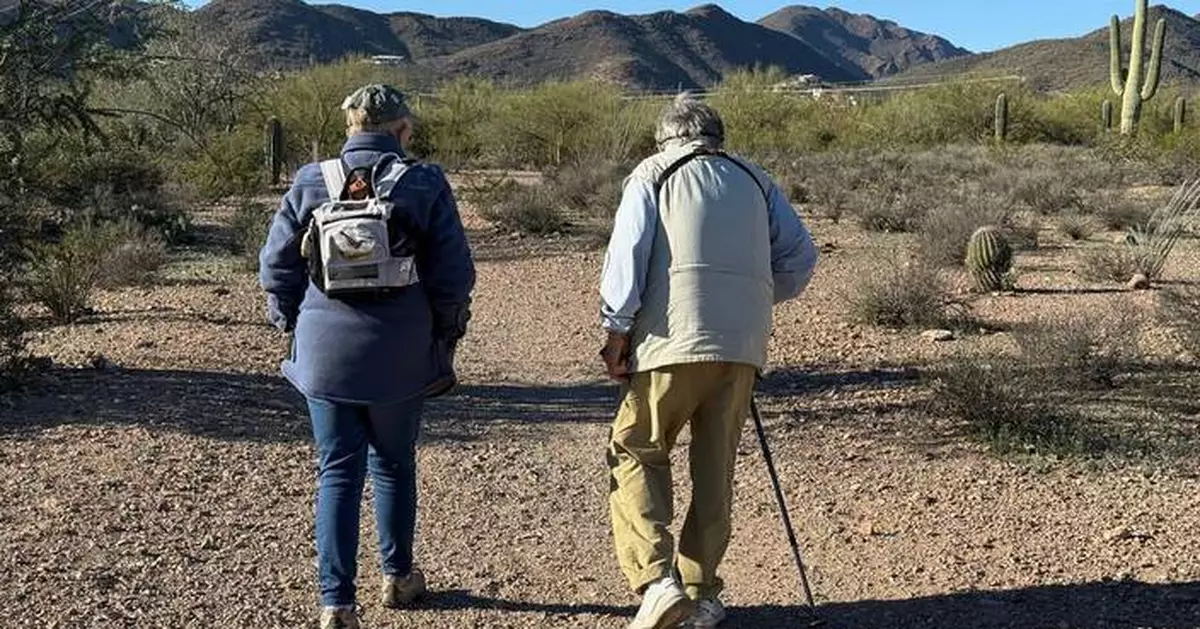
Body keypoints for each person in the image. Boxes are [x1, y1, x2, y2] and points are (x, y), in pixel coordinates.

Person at [598, 93, 818, 629]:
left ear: (665, 136)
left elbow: (627, 257)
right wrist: (755, 296)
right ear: (716, 136)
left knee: (637, 449)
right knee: (715, 464)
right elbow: (800, 257)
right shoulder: (756, 179)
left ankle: (657, 583)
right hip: (742, 345)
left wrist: (616, 328)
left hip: (670, 340)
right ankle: (702, 594)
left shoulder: (653, 172)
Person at [259, 84, 475, 629]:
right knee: (394, 461)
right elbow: (453, 274)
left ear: (350, 128)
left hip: (325, 353)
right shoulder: (423, 182)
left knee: (336, 470)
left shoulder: (311, 180)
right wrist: (444, 336)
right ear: (402, 130)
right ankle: (398, 577)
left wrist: (292, 323)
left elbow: (276, 266)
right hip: (400, 351)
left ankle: (337, 603)